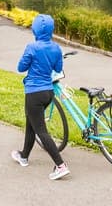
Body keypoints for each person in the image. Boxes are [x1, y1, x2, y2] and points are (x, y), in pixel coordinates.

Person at [11, 14, 70, 180]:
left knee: (41, 131)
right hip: (48, 93)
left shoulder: (32, 47)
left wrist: (31, 61)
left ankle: (61, 165)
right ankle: (23, 156)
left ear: (35, 29)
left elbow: (21, 67)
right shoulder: (56, 48)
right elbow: (58, 68)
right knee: (32, 124)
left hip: (34, 93)